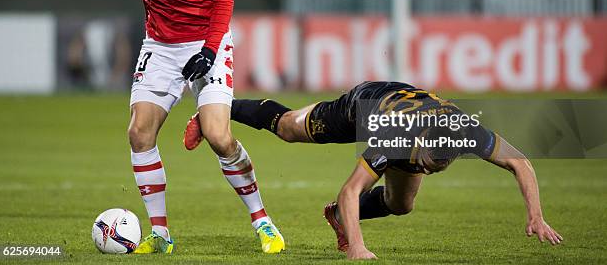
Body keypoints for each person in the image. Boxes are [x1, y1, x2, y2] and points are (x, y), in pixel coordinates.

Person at [186, 81, 563, 260]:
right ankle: (219, 107)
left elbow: (520, 162)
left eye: (443, 161)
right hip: (363, 106)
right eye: (433, 159)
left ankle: (336, 218)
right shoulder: (394, 138)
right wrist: (358, 248)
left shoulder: (465, 131)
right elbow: (350, 189)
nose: (436, 166)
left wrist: (536, 215)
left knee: (402, 205)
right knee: (288, 129)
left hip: (404, 108)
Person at [118, 0, 284, 254]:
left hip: (205, 42)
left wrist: (209, 50)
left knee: (218, 136)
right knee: (139, 133)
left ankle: (264, 222)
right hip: (159, 46)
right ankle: (159, 234)